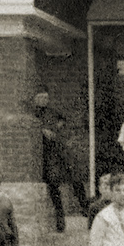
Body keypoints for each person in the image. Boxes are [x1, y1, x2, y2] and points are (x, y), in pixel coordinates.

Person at [32, 89, 81, 230]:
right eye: (40, 97)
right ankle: (58, 219)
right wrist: (41, 130)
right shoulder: (32, 113)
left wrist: (59, 125)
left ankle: (62, 218)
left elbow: (63, 120)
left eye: (46, 97)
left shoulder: (52, 112)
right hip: (39, 155)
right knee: (51, 183)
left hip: (54, 152)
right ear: (35, 99)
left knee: (66, 177)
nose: (43, 100)